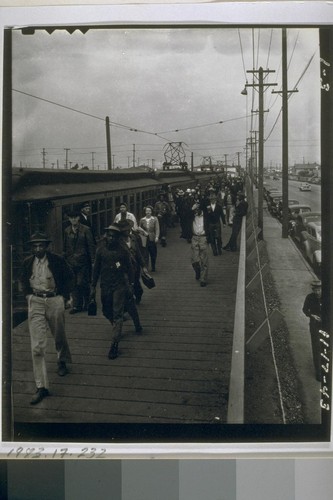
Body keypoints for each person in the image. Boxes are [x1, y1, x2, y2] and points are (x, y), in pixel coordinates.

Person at [20, 232, 74, 404]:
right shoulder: (27, 263)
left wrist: (64, 297)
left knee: (59, 334)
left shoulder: (56, 260)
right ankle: (41, 386)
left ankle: (62, 361)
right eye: (35, 246)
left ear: (46, 246)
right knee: (37, 346)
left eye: (41, 245)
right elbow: (21, 281)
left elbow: (69, 276)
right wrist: (28, 296)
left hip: (54, 300)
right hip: (35, 301)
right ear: (32, 248)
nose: (38, 249)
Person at [90, 224, 140, 360]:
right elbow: (96, 269)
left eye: (114, 236)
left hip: (119, 285)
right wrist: (93, 286)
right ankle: (120, 326)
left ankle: (114, 344)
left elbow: (130, 268)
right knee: (107, 311)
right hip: (105, 286)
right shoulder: (100, 250)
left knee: (118, 313)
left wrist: (131, 284)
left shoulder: (123, 251)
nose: (111, 238)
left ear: (118, 238)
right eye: (109, 235)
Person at [63, 208, 96, 313]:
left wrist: (93, 260)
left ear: (79, 218)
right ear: (69, 219)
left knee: (82, 282)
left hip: (83, 261)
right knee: (73, 283)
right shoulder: (67, 231)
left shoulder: (86, 230)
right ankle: (77, 306)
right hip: (70, 261)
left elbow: (91, 245)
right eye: (71, 218)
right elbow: (65, 246)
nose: (73, 220)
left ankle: (86, 302)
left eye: (75, 217)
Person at [302, 280, 322, 381]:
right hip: (314, 325)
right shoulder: (310, 297)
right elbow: (305, 309)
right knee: (317, 348)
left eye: (319, 290)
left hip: (325, 325)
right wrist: (312, 315)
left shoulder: (327, 297)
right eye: (315, 290)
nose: (317, 292)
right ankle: (318, 372)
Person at [190, 202, 209, 287]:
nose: (196, 211)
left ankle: (203, 279)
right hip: (194, 238)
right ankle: (197, 271)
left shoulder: (206, 216)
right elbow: (184, 214)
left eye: (197, 209)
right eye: (195, 210)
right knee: (194, 260)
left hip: (203, 238)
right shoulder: (192, 216)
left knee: (204, 259)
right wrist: (192, 209)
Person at [204, 187, 226, 256]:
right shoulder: (207, 207)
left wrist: (224, 223)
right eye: (211, 199)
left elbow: (222, 215)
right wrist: (206, 225)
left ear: (215, 199)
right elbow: (206, 216)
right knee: (212, 238)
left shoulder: (219, 206)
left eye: (213, 199)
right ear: (210, 200)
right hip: (210, 223)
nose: (212, 200)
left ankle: (219, 249)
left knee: (218, 237)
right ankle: (214, 251)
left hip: (217, 223)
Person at [139, 205, 160, 272]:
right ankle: (146, 267)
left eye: (149, 211)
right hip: (144, 239)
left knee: (153, 253)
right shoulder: (142, 220)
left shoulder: (155, 219)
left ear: (151, 212)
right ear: (145, 212)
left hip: (152, 238)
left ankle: (153, 266)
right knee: (145, 253)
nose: (148, 212)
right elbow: (140, 229)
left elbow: (157, 228)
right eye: (147, 211)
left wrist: (157, 237)